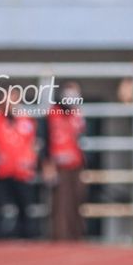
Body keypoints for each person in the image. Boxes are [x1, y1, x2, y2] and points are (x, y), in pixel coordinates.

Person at [0, 88, 40, 239]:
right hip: (1, 171)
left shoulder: (26, 119)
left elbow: (33, 143)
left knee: (26, 208)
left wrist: (31, 161)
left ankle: (27, 239)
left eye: (14, 98)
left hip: (22, 171)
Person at [42, 83, 86, 241]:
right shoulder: (53, 113)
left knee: (75, 201)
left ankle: (76, 236)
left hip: (75, 164)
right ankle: (61, 237)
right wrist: (48, 165)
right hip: (58, 165)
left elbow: (79, 139)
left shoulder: (76, 114)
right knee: (61, 204)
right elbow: (46, 140)